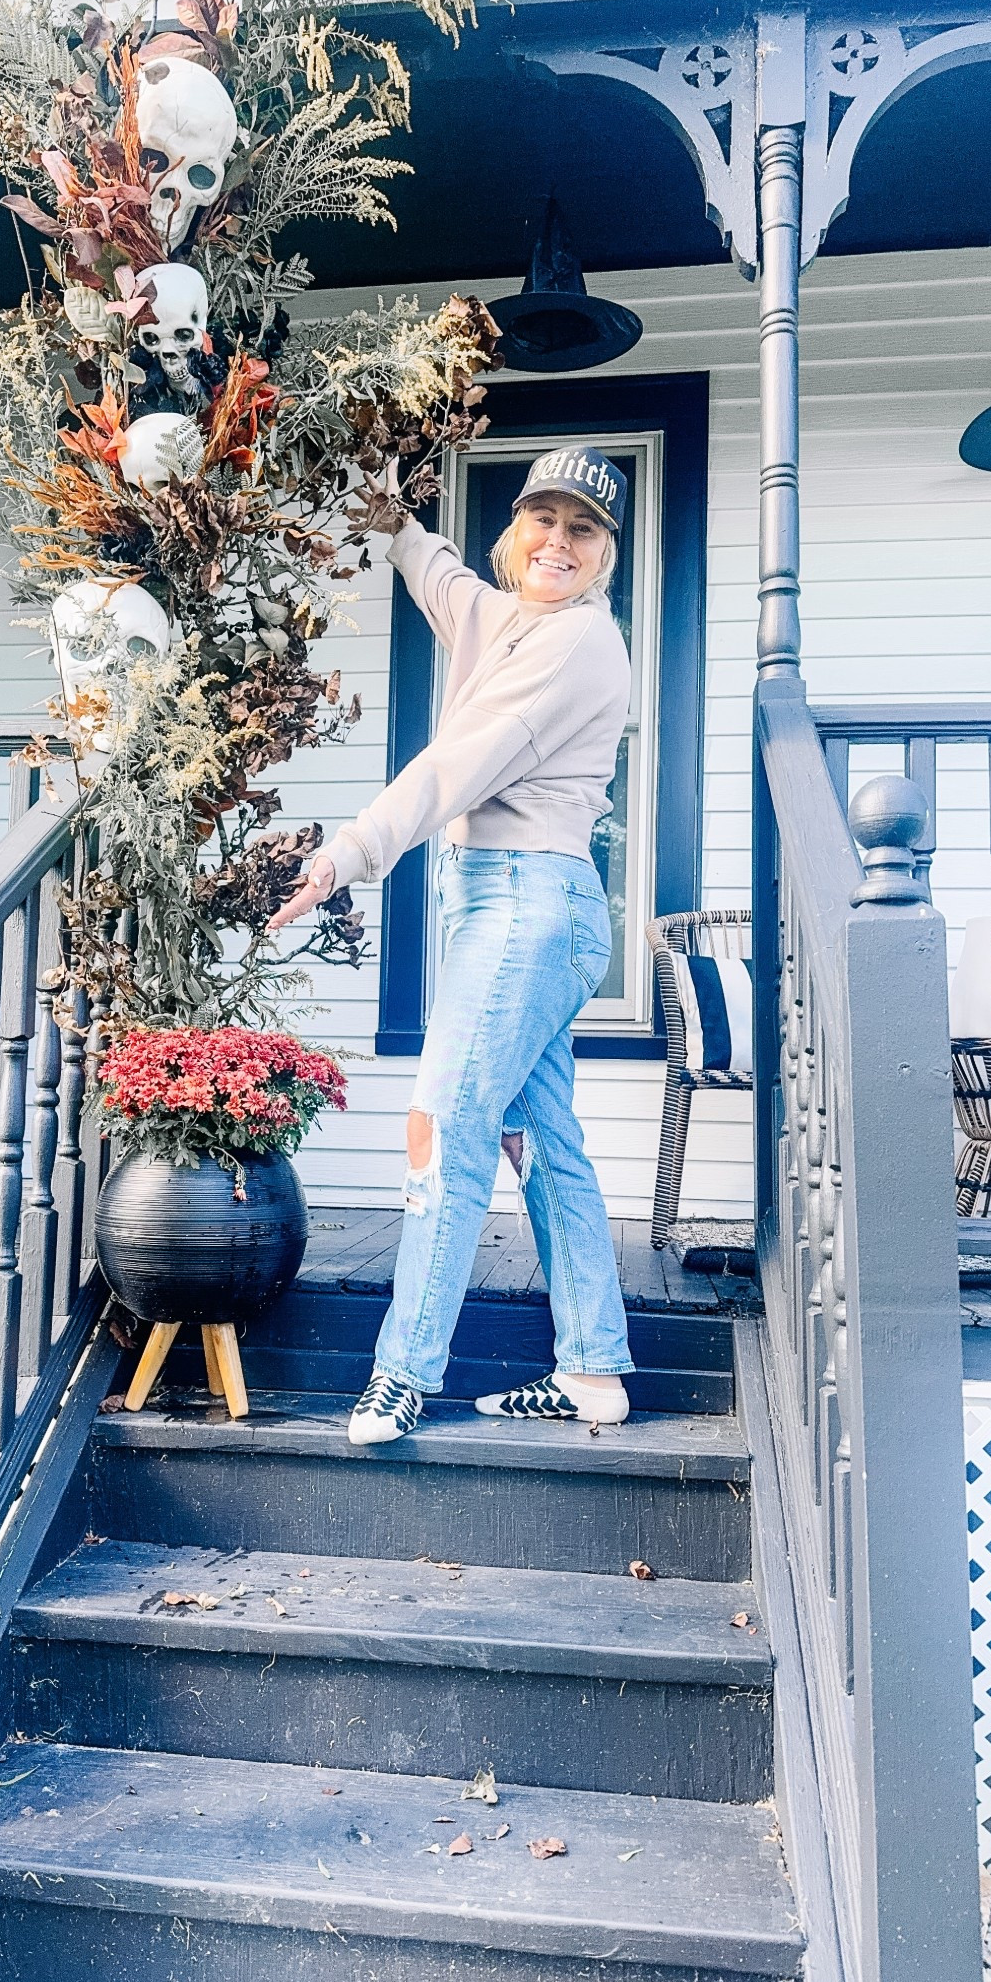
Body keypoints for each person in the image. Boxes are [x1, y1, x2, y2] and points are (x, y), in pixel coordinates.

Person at [270, 446, 636, 1445]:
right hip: (516, 908)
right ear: (514, 529)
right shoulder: (494, 613)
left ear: (605, 555)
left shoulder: (580, 647)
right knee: (541, 1137)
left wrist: (348, 850)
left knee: (444, 1124)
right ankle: (594, 1367)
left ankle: (403, 1370)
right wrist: (377, 496)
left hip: (529, 901)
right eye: (545, 521)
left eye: (584, 529)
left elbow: (460, 766)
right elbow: (427, 563)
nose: (559, 541)